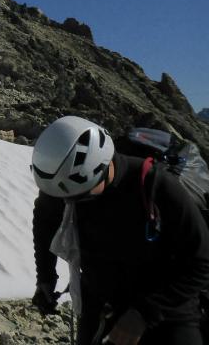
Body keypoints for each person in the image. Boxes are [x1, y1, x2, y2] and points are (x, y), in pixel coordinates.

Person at [31, 115, 209, 345]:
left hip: (168, 309)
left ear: (101, 170)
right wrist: (45, 277)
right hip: (101, 298)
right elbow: (45, 221)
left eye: (79, 197)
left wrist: (143, 313)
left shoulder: (158, 186)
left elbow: (201, 261)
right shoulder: (66, 184)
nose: (71, 203)